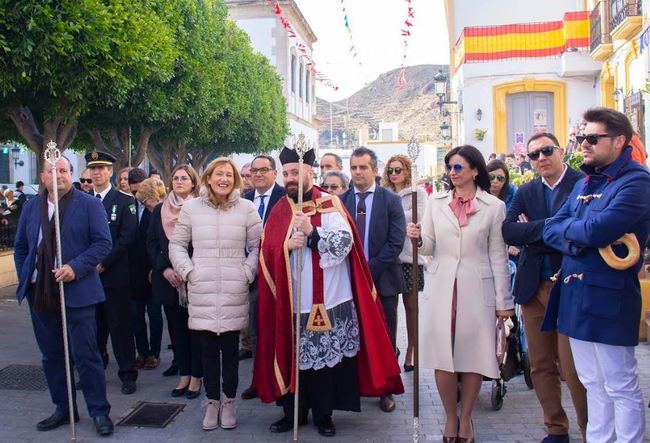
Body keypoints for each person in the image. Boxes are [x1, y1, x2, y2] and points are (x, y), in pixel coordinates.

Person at [253, 146, 404, 437]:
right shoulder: (280, 209)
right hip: (292, 298)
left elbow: (344, 245)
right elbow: (267, 249)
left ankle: (324, 415)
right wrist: (285, 247)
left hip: (330, 298)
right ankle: (292, 413)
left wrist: (311, 233)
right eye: (286, 174)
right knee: (292, 355)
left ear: (311, 173)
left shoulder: (331, 203)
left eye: (296, 172)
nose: (291, 178)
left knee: (323, 365)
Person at [543, 108, 650, 442]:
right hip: (575, 296)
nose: (583, 145)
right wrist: (580, 239)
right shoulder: (586, 180)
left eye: (592, 138)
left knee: (620, 382)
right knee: (592, 383)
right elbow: (551, 229)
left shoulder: (637, 181)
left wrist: (576, 235)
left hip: (610, 296)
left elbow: (600, 229)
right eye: (581, 138)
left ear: (618, 141)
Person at [406, 144, 514, 442]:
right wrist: (417, 239)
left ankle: (466, 418)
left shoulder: (494, 207)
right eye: (449, 167)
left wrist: (503, 303)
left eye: (458, 167)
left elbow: (498, 257)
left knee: (472, 356)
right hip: (441, 287)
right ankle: (449, 418)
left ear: (475, 170)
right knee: (443, 356)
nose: (452, 173)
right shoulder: (435, 202)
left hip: (477, 287)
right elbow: (429, 247)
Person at [13, 156, 114, 436]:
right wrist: (26, 275)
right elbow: (21, 246)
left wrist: (75, 268)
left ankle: (99, 410)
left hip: (77, 292)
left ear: (70, 174)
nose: (57, 175)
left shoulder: (90, 205)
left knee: (86, 355)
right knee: (52, 355)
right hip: (40, 293)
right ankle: (63, 407)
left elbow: (103, 243)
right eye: (50, 171)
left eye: (62, 170)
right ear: (42, 176)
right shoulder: (32, 207)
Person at [502, 132, 586, 443]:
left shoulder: (582, 184)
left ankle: (590, 429)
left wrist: (534, 229)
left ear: (561, 150)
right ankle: (556, 428)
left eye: (546, 151)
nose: (541, 159)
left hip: (570, 285)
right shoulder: (526, 192)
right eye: (534, 155)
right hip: (533, 287)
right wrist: (553, 227)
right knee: (539, 364)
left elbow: (583, 231)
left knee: (572, 366)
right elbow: (510, 231)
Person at [169, 157, 262, 431]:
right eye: (218, 174)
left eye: (229, 175)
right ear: (208, 178)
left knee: (231, 353)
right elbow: (176, 245)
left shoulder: (247, 208)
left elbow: (259, 246)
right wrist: (189, 271)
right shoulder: (191, 208)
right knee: (207, 351)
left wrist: (246, 272)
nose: (224, 179)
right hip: (202, 287)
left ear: (235, 180)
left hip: (234, 287)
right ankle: (211, 402)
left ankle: (229, 402)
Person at [339, 146, 406, 413]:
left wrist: (368, 270)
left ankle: (386, 389)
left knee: (385, 336)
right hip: (347, 281)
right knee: (351, 334)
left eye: (363, 167)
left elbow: (395, 242)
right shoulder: (341, 201)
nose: (357, 172)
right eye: (353, 167)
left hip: (383, 281)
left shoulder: (390, 201)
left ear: (375, 170)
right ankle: (353, 386)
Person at [147, 164, 203, 397]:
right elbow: (151, 243)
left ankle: (197, 376)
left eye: (184, 178)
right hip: (169, 280)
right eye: (176, 178)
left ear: (193, 182)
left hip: (194, 278)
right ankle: (184, 373)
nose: (179, 181)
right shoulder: (161, 208)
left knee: (196, 330)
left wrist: (187, 268)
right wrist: (165, 269)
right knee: (177, 329)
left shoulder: (201, 208)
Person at [86, 150, 139, 395]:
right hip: (86, 278)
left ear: (110, 172)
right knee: (92, 330)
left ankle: (128, 374)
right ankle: (94, 373)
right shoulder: (82, 201)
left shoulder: (124, 201)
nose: (96, 173)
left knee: (120, 328)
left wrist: (103, 263)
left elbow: (127, 238)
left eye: (101, 168)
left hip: (114, 277)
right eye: (93, 168)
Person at [239, 154, 286, 400]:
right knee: (256, 330)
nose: (257, 174)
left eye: (263, 170)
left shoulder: (286, 199)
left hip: (277, 276)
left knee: (277, 329)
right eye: (253, 171)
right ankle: (260, 379)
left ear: (274, 173)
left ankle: (280, 379)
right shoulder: (243, 200)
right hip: (249, 276)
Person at [380, 154, 427, 373]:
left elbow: (418, 218)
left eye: (398, 170)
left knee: (411, 306)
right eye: (391, 170)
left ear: (407, 171)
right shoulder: (383, 193)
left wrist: (394, 217)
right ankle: (391, 350)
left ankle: (413, 349)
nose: (394, 174)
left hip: (410, 257)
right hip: (390, 256)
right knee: (390, 307)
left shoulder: (418, 194)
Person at [130, 170, 164, 370]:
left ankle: (154, 353)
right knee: (135, 315)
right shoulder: (131, 207)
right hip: (134, 272)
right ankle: (141, 351)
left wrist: (156, 267)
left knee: (154, 314)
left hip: (153, 271)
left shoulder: (158, 210)